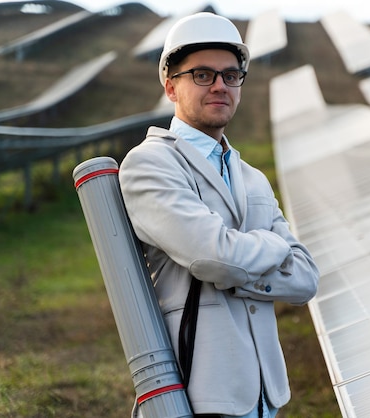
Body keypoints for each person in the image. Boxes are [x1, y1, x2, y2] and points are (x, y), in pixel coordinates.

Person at [119, 12, 319, 418]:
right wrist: (273, 247)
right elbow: (214, 258)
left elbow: (305, 280)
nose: (219, 86)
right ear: (170, 85)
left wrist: (236, 268)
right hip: (197, 395)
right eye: (202, 75)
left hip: (264, 397)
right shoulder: (151, 163)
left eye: (230, 75)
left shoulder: (252, 177)